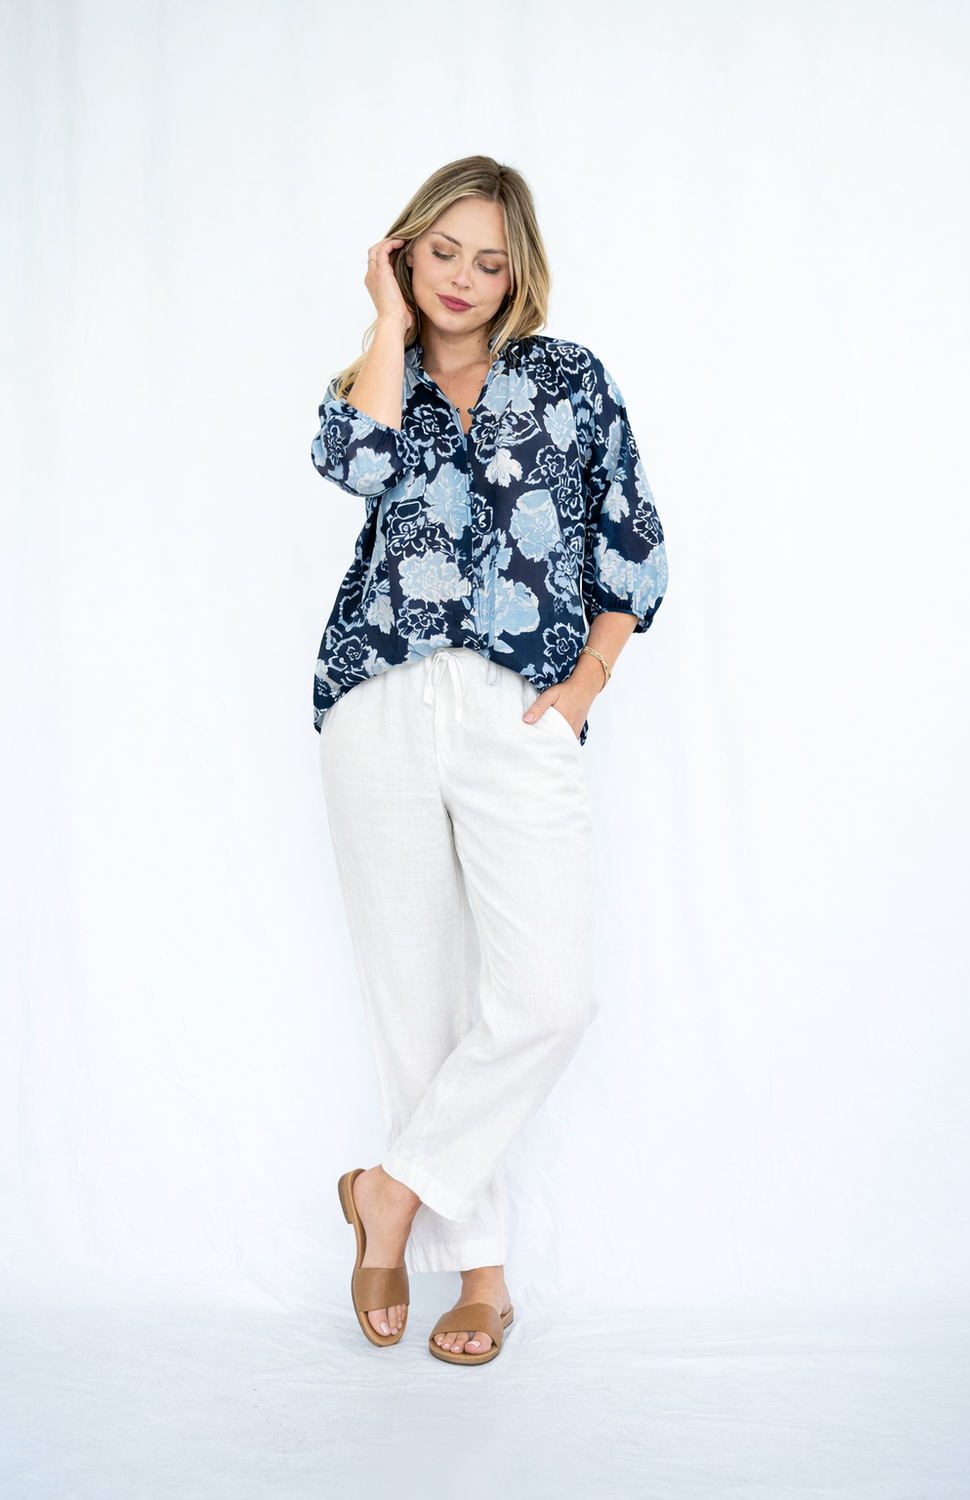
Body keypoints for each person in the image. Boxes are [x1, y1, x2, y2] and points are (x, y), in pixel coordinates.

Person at [311, 155, 667, 1365]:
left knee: (546, 998)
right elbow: (350, 465)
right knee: (416, 1003)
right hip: (379, 703)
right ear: (405, 250)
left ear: (521, 272)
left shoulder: (568, 382)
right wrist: (384, 322)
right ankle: (482, 1278)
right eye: (441, 251)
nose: (465, 277)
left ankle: (387, 1194)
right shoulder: (376, 381)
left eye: (490, 258)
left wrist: (581, 692)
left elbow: (633, 548)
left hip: (520, 711)